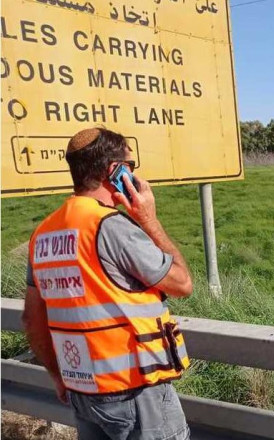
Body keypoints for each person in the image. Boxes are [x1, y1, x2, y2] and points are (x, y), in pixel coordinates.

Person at [22, 127, 194, 440]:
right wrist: (148, 219)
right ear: (114, 171)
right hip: (134, 393)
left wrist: (58, 377)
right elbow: (182, 283)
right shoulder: (110, 226)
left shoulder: (43, 234)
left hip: (82, 390)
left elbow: (32, 320)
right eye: (130, 167)